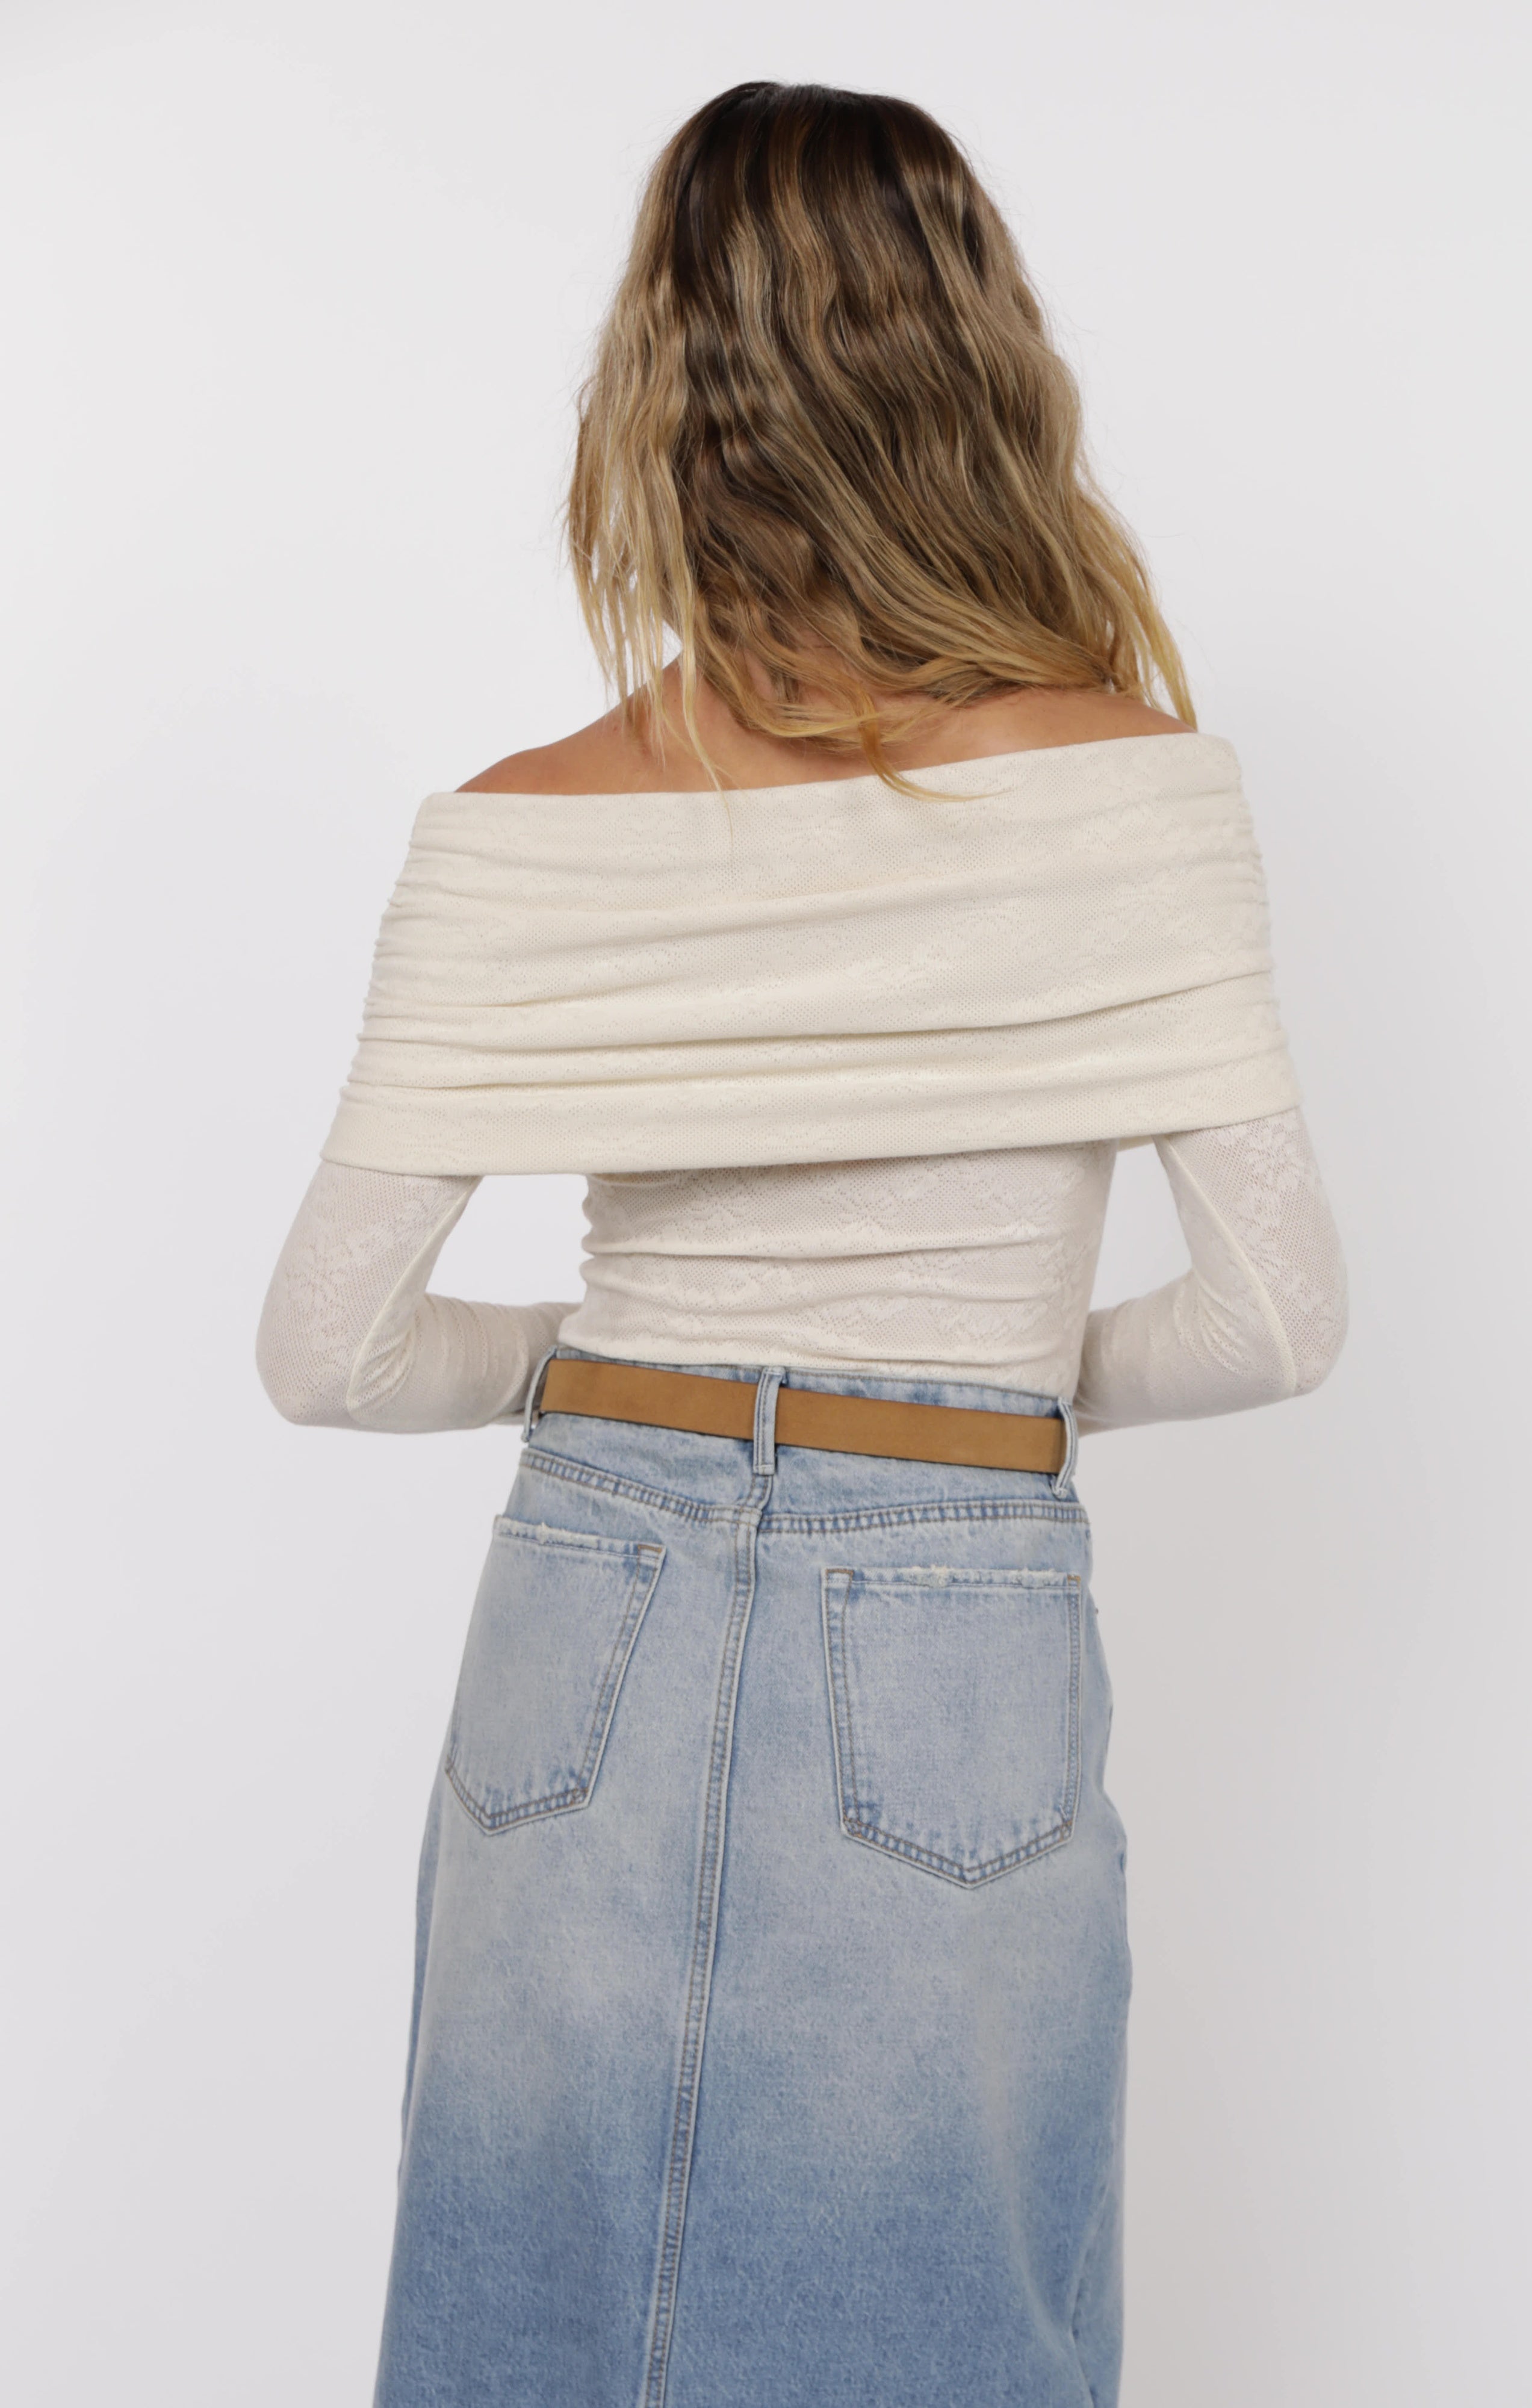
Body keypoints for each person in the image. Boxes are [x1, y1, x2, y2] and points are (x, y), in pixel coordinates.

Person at [257, 80, 1345, 2408]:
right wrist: (982, 1382)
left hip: (587, 1594)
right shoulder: (1138, 794)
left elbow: (327, 1351)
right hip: (951, 1587)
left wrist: (594, 1363)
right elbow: (1277, 1318)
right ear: (980, 361)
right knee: (938, 2328)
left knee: (539, 2318)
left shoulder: (520, 829)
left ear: (654, 385)